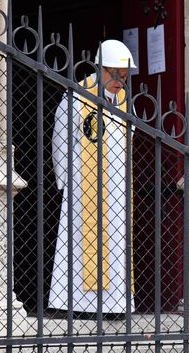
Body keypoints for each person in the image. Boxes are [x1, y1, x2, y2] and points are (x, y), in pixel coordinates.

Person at [49, 39, 136, 318]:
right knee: (77, 242)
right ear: (100, 69)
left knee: (115, 242)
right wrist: (63, 179)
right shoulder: (77, 97)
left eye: (124, 75)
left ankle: (114, 305)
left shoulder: (125, 103)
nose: (119, 81)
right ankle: (74, 304)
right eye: (114, 73)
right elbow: (61, 139)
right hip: (83, 186)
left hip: (116, 187)